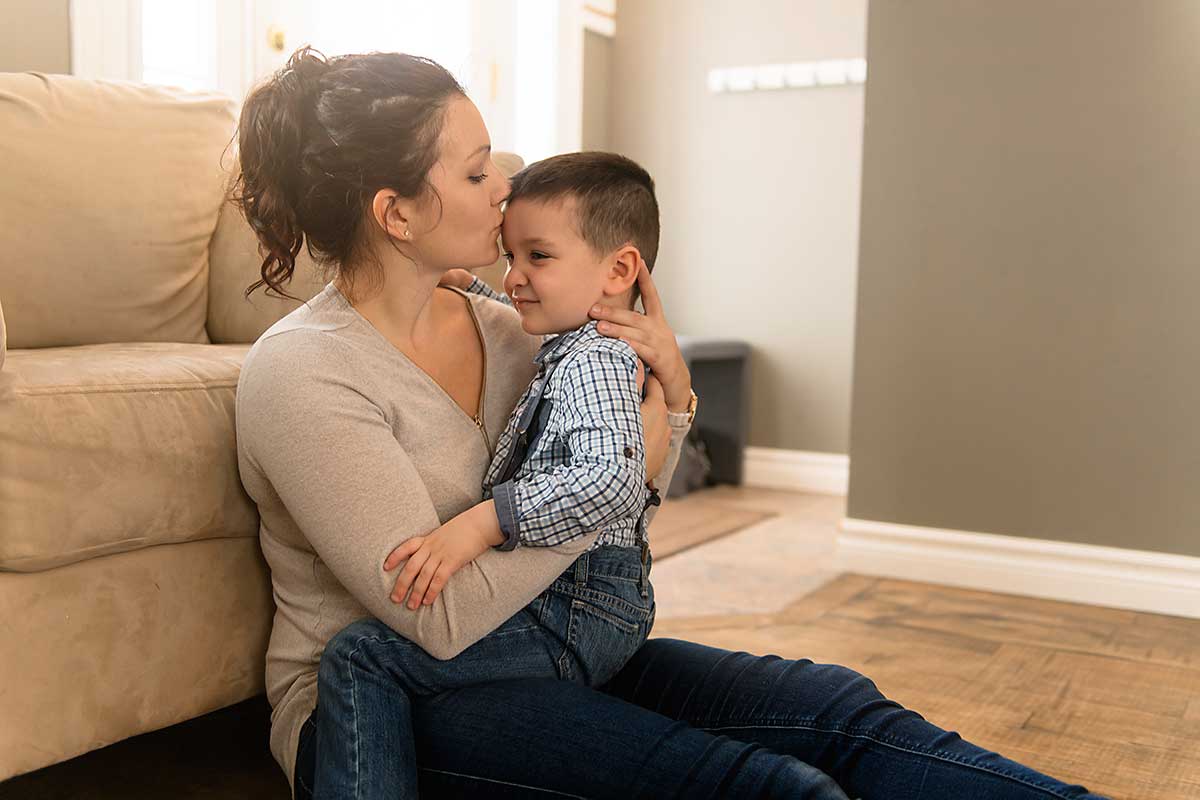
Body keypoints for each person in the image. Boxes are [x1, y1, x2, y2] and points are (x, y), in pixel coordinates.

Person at [233, 47, 1108, 799]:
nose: (505, 187)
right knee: (765, 786)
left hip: (546, 641)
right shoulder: (307, 373)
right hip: (392, 702)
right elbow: (440, 619)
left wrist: (673, 404)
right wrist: (629, 469)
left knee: (842, 712)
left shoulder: (514, 328)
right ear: (395, 214)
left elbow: (616, 479)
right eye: (475, 172)